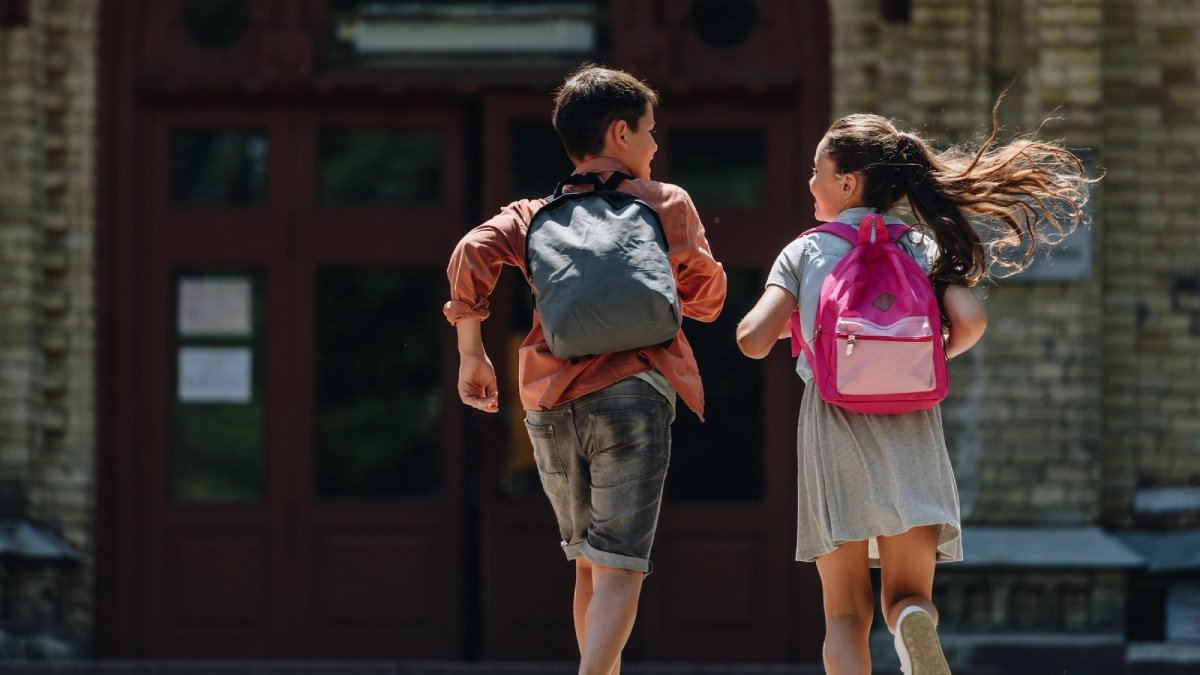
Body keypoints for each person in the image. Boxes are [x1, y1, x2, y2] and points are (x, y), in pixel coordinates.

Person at [735, 108, 1090, 675]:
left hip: (835, 427)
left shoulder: (805, 250)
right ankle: (911, 625)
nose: (808, 182)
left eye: (815, 170)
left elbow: (752, 339)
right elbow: (970, 320)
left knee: (845, 615)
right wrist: (917, 362)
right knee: (906, 595)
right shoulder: (920, 247)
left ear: (846, 182)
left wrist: (796, 327)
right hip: (913, 426)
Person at [444, 64, 726, 675]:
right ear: (621, 133)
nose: (656, 144)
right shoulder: (664, 201)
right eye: (650, 131)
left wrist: (473, 352)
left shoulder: (529, 214)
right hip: (634, 394)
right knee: (622, 561)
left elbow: (471, 249)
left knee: (589, 561)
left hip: (549, 403)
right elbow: (707, 301)